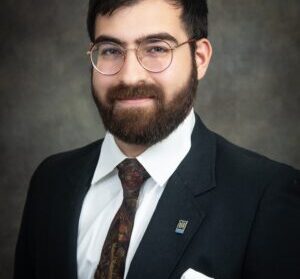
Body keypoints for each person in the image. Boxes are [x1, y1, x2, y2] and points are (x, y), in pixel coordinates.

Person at [14, 0, 300, 278]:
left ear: (199, 58)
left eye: (156, 48)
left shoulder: (266, 195)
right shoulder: (51, 180)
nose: (129, 77)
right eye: (111, 50)